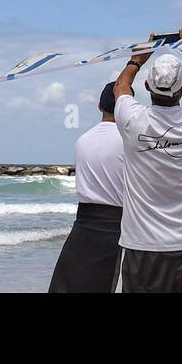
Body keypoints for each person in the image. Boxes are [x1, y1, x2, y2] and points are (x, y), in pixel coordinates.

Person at [112, 31, 182, 292]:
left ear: (148, 86)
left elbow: (121, 88)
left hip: (143, 247)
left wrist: (137, 59)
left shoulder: (132, 120)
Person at [49, 82, 126, 293]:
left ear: (99, 106)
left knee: (68, 284)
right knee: (103, 284)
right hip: (114, 224)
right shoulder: (128, 142)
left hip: (83, 221)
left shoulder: (82, 140)